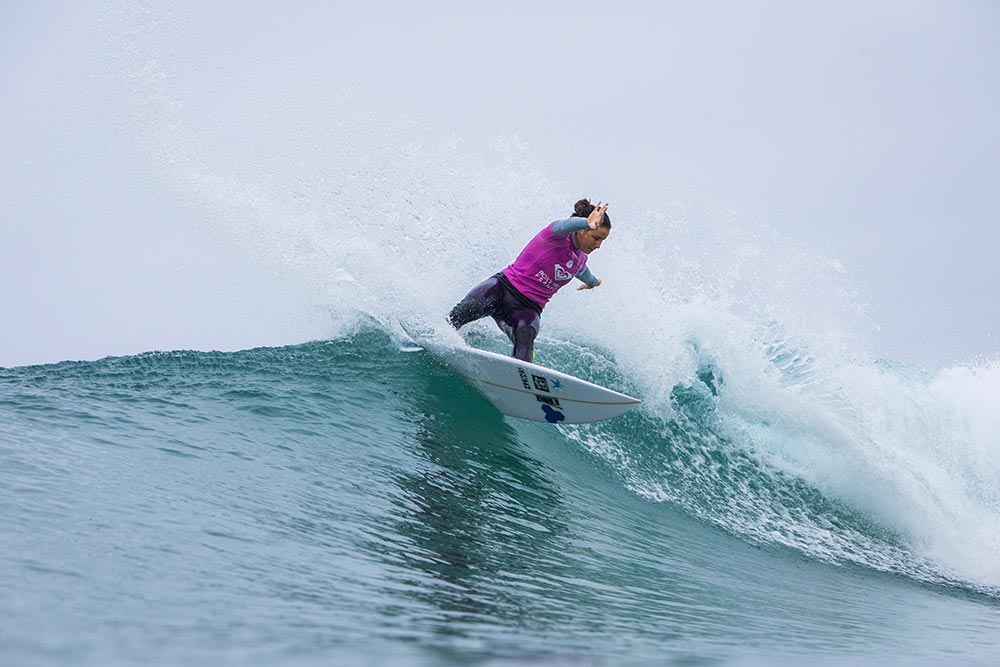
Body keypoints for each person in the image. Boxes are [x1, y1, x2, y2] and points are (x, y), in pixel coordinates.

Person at [447, 198, 612, 362]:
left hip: (527, 309)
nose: (598, 245)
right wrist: (586, 222)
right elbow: (565, 225)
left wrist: (593, 283)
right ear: (583, 230)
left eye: (602, 240)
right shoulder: (555, 236)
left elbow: (584, 274)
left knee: (525, 343)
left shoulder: (580, 260)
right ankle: (435, 339)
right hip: (501, 289)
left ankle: (517, 382)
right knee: (458, 317)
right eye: (596, 238)